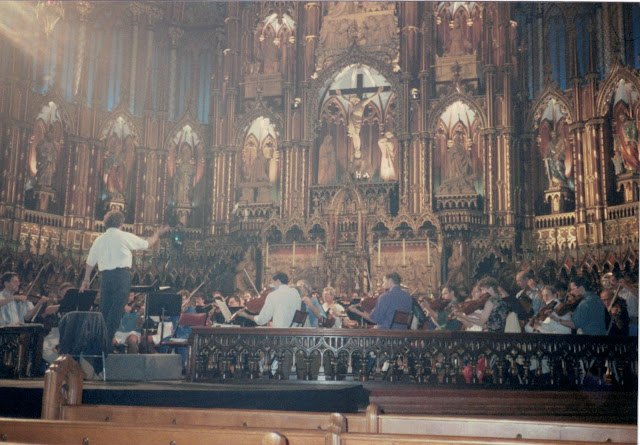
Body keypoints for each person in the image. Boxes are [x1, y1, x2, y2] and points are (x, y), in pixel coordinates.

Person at [80, 210, 170, 344]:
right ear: (120, 224)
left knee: (105, 311)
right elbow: (146, 245)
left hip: (105, 277)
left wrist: (86, 280)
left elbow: (90, 263)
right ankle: (105, 343)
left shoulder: (99, 239)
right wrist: (157, 234)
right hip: (121, 276)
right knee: (117, 311)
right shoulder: (123, 236)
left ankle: (101, 343)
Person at [347, 272, 413, 329]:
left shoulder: (385, 296)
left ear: (390, 281)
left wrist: (356, 311)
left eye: (384, 281)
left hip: (386, 335)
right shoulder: (408, 297)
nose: (382, 284)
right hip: (403, 335)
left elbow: (374, 319)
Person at [235, 272, 301, 328]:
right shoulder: (295, 293)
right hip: (294, 333)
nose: (270, 284)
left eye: (272, 281)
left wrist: (246, 315)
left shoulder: (273, 295)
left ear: (278, 281)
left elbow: (261, 320)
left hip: (279, 334)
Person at [335, 86, 384, 159]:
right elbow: (346, 100)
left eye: (354, 100)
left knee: (356, 134)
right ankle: (356, 149)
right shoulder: (353, 105)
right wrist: (340, 94)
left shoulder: (362, 104)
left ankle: (357, 148)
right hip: (353, 120)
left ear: (357, 100)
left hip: (358, 121)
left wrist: (378, 92)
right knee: (354, 135)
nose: (353, 101)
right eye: (353, 100)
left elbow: (370, 99)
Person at [607, 271, 638, 336]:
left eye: (613, 281)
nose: (611, 283)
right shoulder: (612, 294)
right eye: (610, 281)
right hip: (618, 324)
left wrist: (626, 286)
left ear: (619, 281)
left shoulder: (629, 291)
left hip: (633, 323)